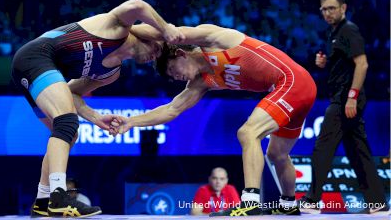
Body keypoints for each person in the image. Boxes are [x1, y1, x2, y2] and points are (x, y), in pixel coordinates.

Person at [113, 22, 317, 216]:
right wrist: (131, 122)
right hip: (294, 89)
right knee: (277, 155)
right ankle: (288, 204)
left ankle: (251, 202)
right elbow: (171, 110)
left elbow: (167, 32)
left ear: (181, 54)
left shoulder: (212, 40)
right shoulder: (201, 82)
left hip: (291, 82)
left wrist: (122, 28)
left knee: (248, 133)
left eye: (173, 70)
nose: (176, 78)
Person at [12, 0, 183, 218]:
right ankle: (59, 196)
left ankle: (43, 202)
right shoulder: (117, 27)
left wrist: (95, 117)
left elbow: (72, 92)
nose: (156, 54)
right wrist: (166, 28)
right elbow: (137, 5)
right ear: (146, 34)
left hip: (34, 70)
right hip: (36, 56)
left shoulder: (111, 74)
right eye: (157, 47)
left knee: (67, 133)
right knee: (66, 122)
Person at [298, 0, 388, 214]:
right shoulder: (334, 33)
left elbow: (362, 64)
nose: (327, 13)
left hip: (346, 99)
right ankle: (378, 203)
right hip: (342, 96)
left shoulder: (349, 30)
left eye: (332, 8)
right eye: (324, 9)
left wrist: (352, 96)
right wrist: (325, 62)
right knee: (358, 151)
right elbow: (344, 64)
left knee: (323, 148)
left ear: (343, 8)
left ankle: (312, 200)